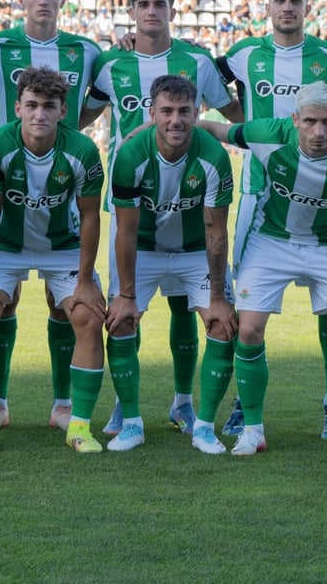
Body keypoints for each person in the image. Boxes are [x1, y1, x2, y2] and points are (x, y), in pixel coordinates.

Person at [81, 0, 243, 438]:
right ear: (131, 10)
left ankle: (183, 403)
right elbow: (83, 117)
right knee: (125, 309)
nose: (151, 11)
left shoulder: (196, 61)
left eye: (159, 3)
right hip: (134, 203)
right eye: (143, 4)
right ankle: (123, 407)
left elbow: (232, 114)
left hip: (192, 203)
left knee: (184, 310)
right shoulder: (111, 63)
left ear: (172, 9)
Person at [216, 0, 327, 440]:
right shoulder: (243, 54)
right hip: (259, 198)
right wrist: (246, 127)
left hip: (323, 197)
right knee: (251, 311)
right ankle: (245, 405)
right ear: (268, 5)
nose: (288, 7)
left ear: (308, 5)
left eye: (296, 0)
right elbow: (201, 80)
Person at [194, 82, 327, 459]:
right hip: (272, 240)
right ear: (294, 119)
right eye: (310, 121)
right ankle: (253, 430)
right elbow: (217, 129)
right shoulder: (268, 134)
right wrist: (154, 128)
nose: (318, 132)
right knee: (247, 330)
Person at [0, 0, 102, 431]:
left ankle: (65, 403)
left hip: (61, 222)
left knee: (64, 307)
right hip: (10, 215)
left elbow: (107, 85)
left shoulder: (87, 50)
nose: (43, 0)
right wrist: (26, 125)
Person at [0, 67, 108, 453]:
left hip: (63, 245)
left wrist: (84, 279)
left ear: (63, 110)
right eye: (31, 105)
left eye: (49, 106)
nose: (39, 114)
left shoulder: (82, 150)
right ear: (17, 108)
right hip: (7, 246)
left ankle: (75, 421)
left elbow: (91, 216)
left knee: (89, 317)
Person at [104, 74, 237, 452]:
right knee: (121, 319)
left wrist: (218, 297)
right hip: (144, 248)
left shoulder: (213, 156)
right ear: (152, 113)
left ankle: (204, 426)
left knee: (223, 324)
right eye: (166, 111)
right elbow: (126, 232)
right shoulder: (130, 155)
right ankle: (130, 422)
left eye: (184, 111)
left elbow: (215, 230)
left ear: (197, 113)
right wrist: (126, 295)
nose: (175, 120)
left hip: (195, 249)